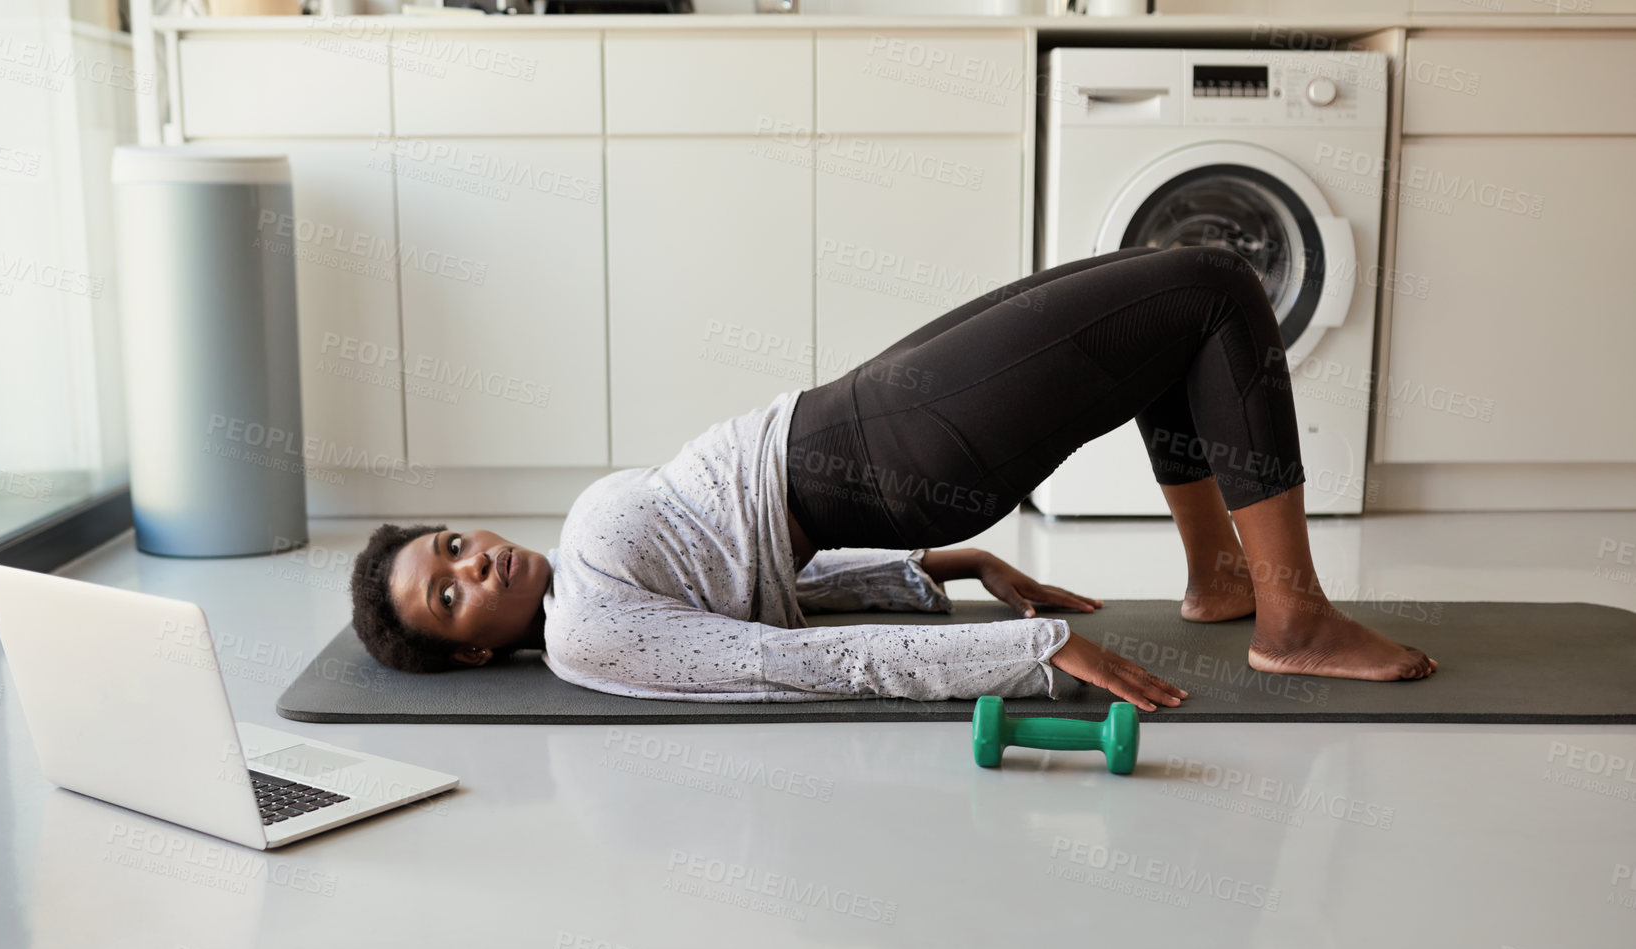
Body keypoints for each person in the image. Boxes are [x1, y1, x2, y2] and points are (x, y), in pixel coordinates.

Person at [348, 246, 1436, 712]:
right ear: (479, 649)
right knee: (1213, 290)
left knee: (1161, 311)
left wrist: (942, 566)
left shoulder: (593, 586)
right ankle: (1291, 618)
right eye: (449, 597)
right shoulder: (589, 637)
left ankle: (1220, 578)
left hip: (863, 426)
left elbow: (755, 574)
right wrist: (1031, 651)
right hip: (893, 449)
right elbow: (794, 665)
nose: (471, 564)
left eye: (449, 547)